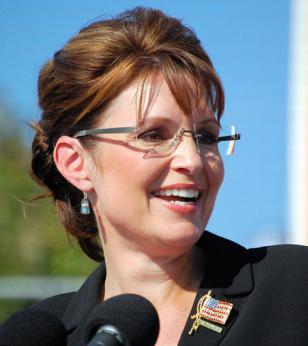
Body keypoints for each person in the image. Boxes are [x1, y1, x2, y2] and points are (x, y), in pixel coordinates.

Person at [5, 7, 308, 346]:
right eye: (154, 135)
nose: (192, 160)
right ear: (76, 163)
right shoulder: (50, 336)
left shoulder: (294, 288)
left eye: (206, 136)